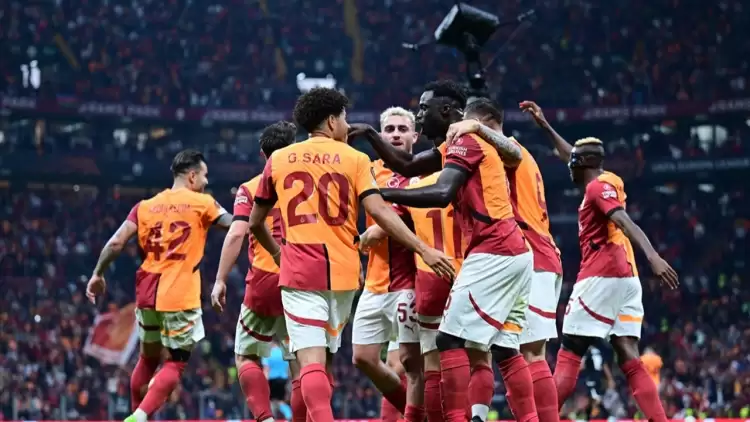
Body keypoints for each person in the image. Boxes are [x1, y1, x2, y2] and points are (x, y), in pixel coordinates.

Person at [247, 87, 455, 422]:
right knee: (329, 360)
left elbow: (255, 223)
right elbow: (381, 212)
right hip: (345, 276)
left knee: (310, 362)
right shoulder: (356, 159)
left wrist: (276, 254)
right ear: (331, 121)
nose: (347, 125)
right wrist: (423, 249)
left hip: (300, 271)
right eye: (344, 118)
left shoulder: (279, 159)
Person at [374, 80, 539, 422]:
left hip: (494, 251)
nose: (419, 115)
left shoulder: (465, 140)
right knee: (505, 348)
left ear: (447, 110)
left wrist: (383, 195)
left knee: (448, 340)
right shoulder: (458, 143)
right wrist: (367, 135)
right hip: (514, 252)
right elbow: (408, 166)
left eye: (424, 108)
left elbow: (442, 193)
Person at [518, 100, 678, 422]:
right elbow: (570, 154)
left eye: (573, 163)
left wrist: (654, 257)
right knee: (628, 354)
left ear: (583, 164)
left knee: (570, 350)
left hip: (601, 274)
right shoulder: (608, 180)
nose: (568, 166)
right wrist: (545, 126)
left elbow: (624, 221)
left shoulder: (596, 189)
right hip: (627, 279)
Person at [85, 149, 232, 422]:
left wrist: (97, 274)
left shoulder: (144, 206)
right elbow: (234, 225)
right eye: (204, 176)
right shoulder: (203, 203)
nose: (206, 182)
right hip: (179, 292)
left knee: (147, 359)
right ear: (192, 176)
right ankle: (140, 417)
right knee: (176, 362)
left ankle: (136, 414)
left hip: (147, 291)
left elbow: (116, 242)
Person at [442, 99, 564, 422]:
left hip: (528, 254)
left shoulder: (504, 150)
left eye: (468, 125)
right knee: (488, 347)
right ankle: (479, 416)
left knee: (531, 353)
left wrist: (474, 128)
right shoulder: (524, 156)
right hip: (538, 255)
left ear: (483, 123)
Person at [210, 121, 299, 422]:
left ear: (263, 154)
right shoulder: (310, 186)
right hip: (302, 277)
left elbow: (237, 233)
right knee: (303, 361)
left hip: (264, 279)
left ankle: (265, 419)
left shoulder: (249, 188)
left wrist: (220, 280)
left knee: (246, 354)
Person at [352, 107, 423, 422]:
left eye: (402, 129)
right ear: (380, 135)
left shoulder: (421, 173)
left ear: (414, 136)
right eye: (390, 129)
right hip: (374, 282)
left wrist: (376, 231)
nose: (395, 134)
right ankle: (420, 414)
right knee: (363, 357)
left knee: (407, 363)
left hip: (408, 282)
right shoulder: (368, 170)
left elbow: (399, 214)